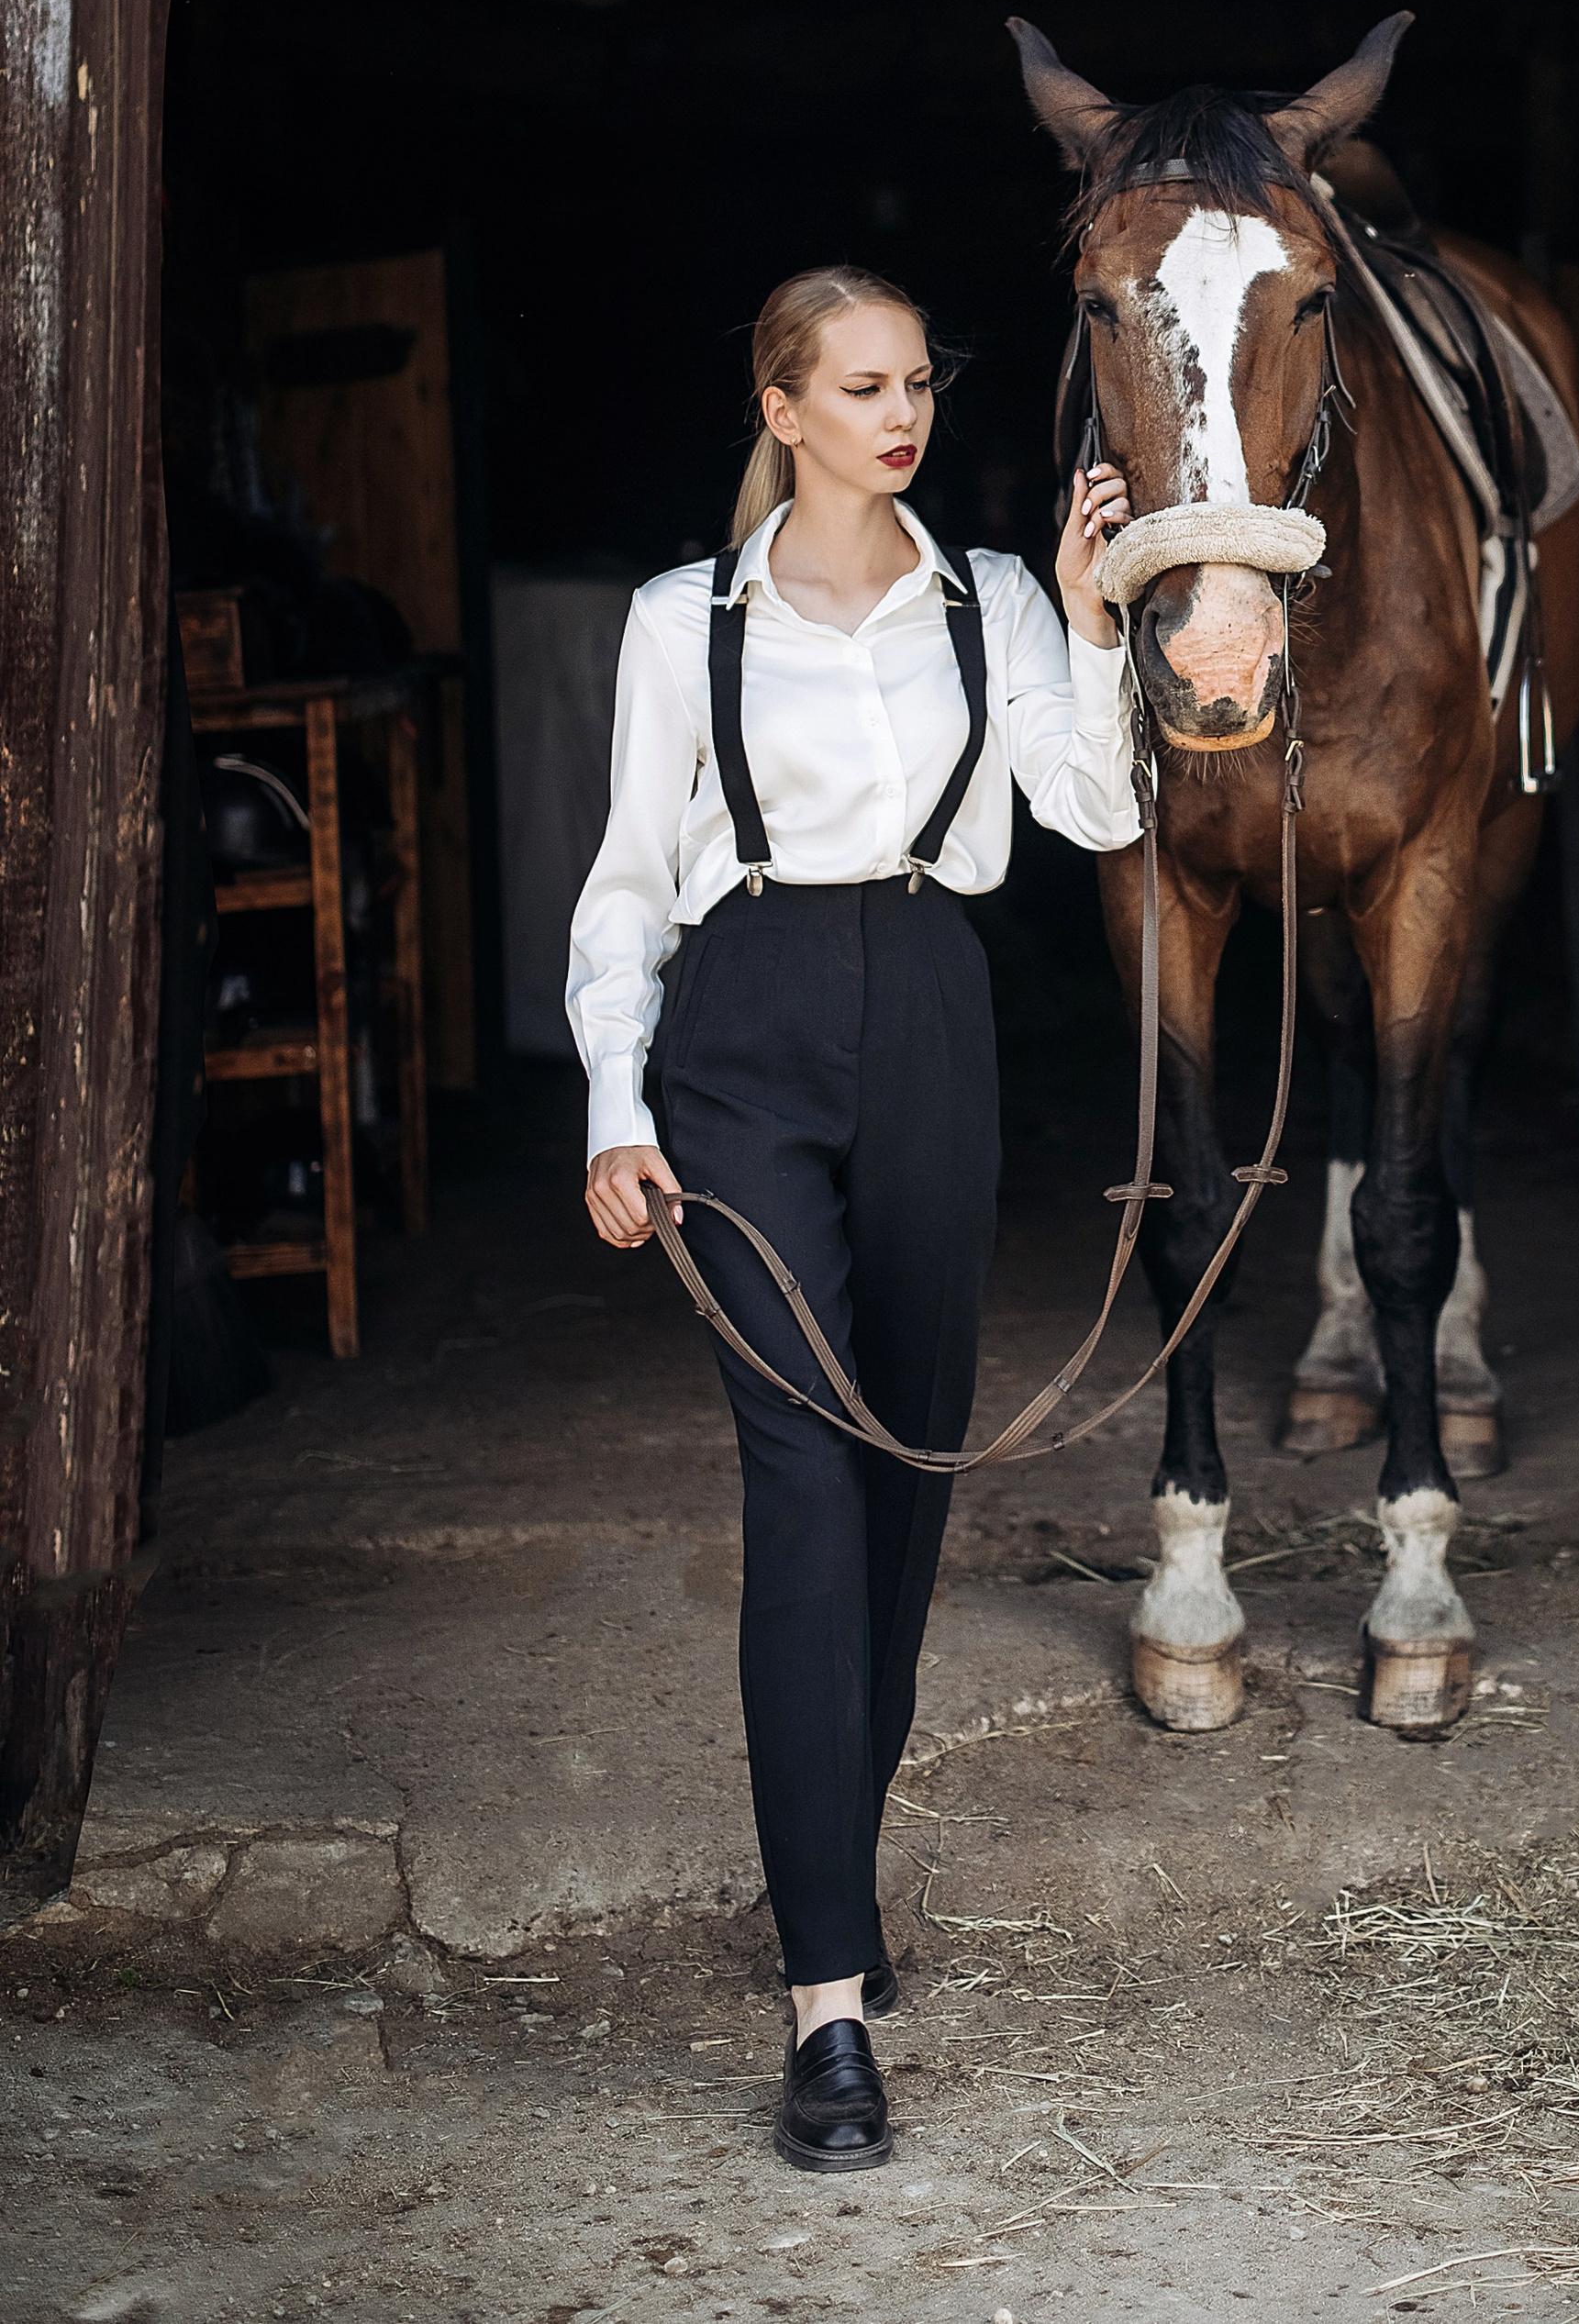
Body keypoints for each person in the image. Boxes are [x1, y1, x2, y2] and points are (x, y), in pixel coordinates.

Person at [568, 265, 1133, 2172]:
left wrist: (1091, 622)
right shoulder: (680, 623)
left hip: (932, 1022)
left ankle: (832, 1854)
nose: (902, 414)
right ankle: (827, 1998)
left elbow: (1098, 807)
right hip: (740, 1041)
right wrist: (612, 1106)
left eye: (919, 384)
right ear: (783, 401)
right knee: (801, 1475)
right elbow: (629, 887)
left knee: (905, 1480)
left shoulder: (982, 598)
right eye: (864, 385)